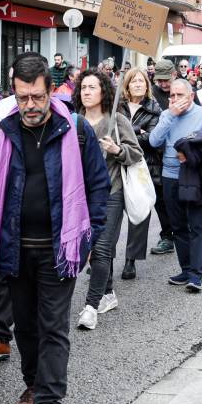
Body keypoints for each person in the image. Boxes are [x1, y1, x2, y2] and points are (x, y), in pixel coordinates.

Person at [0, 53, 109, 404]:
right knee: (26, 326)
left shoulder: (76, 131)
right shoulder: (3, 134)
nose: (29, 106)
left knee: (52, 326)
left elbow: (98, 188)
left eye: (36, 97)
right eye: (21, 98)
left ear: (51, 91)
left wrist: (86, 240)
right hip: (14, 249)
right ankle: (32, 386)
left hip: (59, 249)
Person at [72, 70, 143, 331]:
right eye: (83, 87)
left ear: (104, 91)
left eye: (92, 87)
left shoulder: (116, 120)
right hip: (80, 196)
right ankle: (108, 291)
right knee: (87, 247)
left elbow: (135, 153)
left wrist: (117, 150)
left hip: (111, 194)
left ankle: (91, 307)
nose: (87, 92)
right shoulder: (74, 121)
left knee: (100, 249)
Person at [149, 77, 202, 292]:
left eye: (180, 95)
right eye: (172, 95)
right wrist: (170, 116)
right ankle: (186, 269)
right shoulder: (166, 115)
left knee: (197, 226)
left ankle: (196, 275)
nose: (175, 99)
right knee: (178, 226)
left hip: (196, 177)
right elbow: (154, 141)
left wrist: (192, 153)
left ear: (191, 96)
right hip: (170, 176)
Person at [118, 68, 164, 277]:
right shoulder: (116, 107)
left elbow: (153, 140)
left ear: (147, 85)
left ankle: (131, 260)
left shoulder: (155, 108)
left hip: (143, 166)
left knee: (139, 214)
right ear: (126, 86)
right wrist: (138, 131)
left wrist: (129, 132)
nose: (138, 84)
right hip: (117, 164)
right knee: (110, 214)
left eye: (141, 81)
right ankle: (103, 258)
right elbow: (111, 132)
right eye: (133, 81)